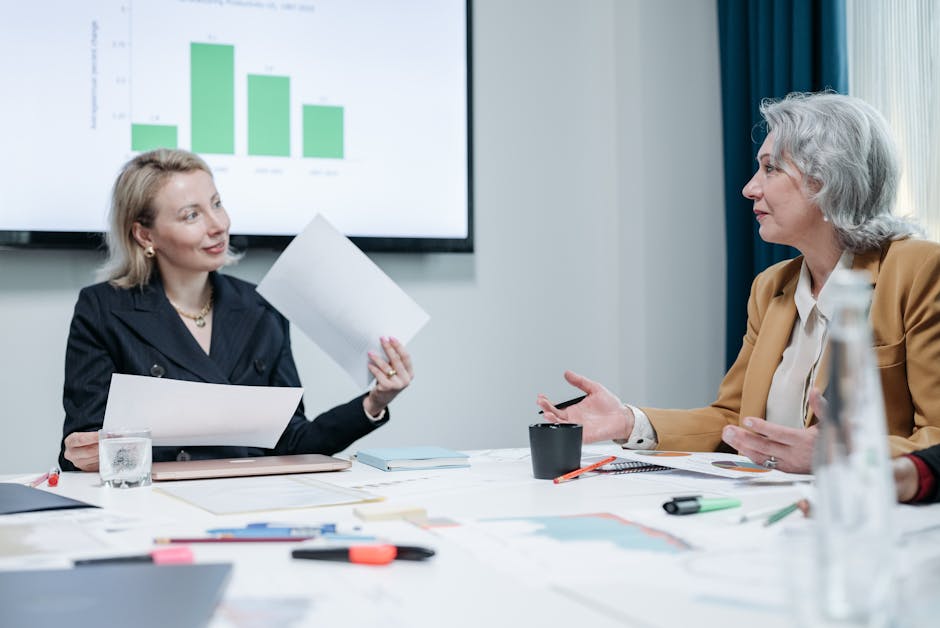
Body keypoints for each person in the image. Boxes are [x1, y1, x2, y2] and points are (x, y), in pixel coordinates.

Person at [537, 92, 940, 474]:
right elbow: (733, 421)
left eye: (770, 168)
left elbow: (935, 436)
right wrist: (627, 421)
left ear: (828, 179)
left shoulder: (918, 270)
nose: (750, 188)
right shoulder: (771, 287)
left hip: (872, 519)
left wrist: (842, 453)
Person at [60, 149, 414, 471]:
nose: (218, 225)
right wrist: (89, 452)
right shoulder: (103, 309)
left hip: (254, 500)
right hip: (159, 505)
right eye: (191, 215)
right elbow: (81, 450)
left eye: (217, 203)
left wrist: (372, 402)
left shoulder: (261, 307)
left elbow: (292, 442)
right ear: (145, 236)